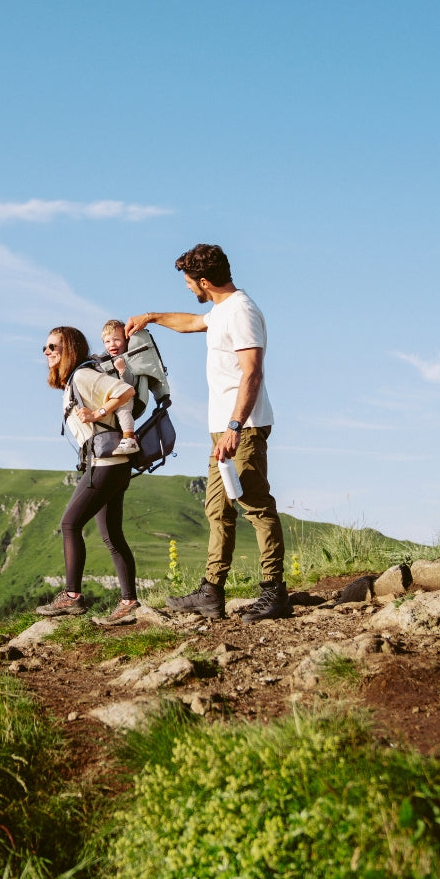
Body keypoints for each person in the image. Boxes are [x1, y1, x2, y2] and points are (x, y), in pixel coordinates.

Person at [126, 243, 292, 623]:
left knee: (255, 505)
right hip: (224, 430)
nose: (188, 289)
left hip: (243, 427)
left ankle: (274, 592)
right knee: (218, 508)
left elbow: (252, 372)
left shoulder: (242, 312)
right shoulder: (220, 311)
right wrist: (150, 317)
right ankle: (211, 593)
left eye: (189, 282)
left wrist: (235, 426)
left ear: (203, 281)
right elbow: (191, 322)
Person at [37, 326, 141, 625]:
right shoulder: (74, 381)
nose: (46, 352)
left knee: (69, 523)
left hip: (107, 464)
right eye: (45, 348)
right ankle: (129, 601)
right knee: (111, 535)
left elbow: (125, 390)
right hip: (115, 463)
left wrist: (97, 414)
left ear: (68, 349)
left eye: (53, 347)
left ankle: (71, 597)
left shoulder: (82, 376)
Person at [100, 319, 141, 456]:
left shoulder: (128, 359)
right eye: (107, 341)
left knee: (124, 409)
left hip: (126, 395)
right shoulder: (104, 361)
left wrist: (123, 370)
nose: (112, 344)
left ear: (126, 341)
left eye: (116, 340)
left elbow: (132, 383)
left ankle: (130, 438)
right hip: (109, 398)